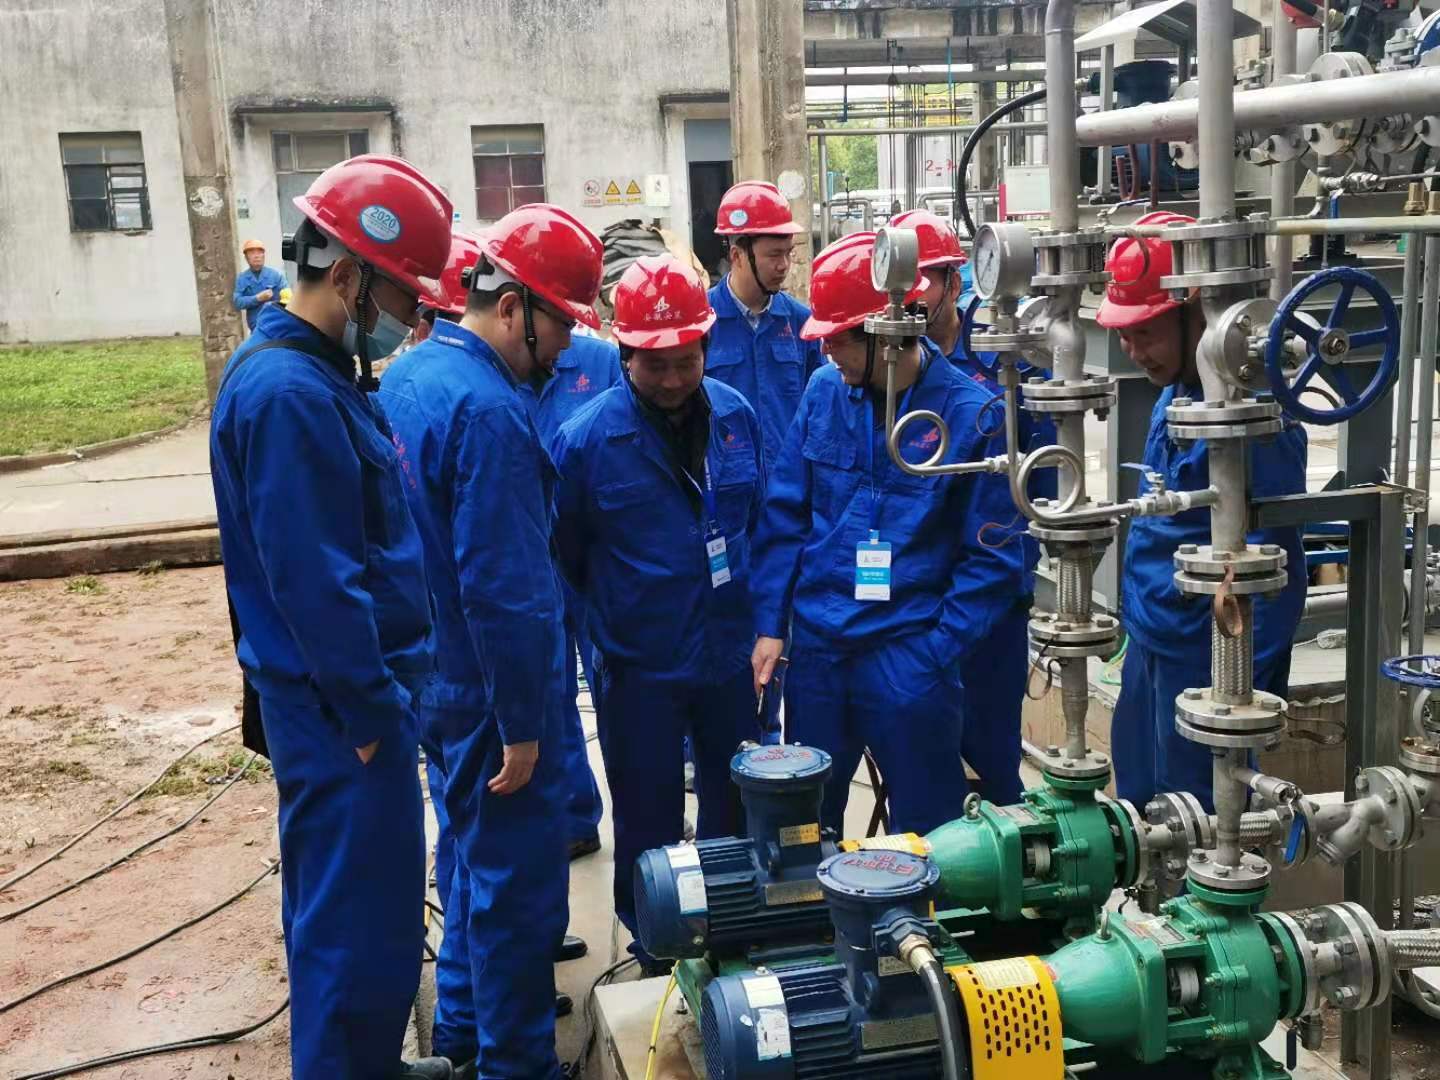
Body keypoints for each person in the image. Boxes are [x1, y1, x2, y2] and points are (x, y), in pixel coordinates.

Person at [209, 154, 455, 1080]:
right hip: (342, 712)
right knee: (352, 920)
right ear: (348, 275)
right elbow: (316, 582)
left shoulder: (315, 373)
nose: (408, 319)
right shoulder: (289, 394)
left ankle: (369, 1064)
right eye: (400, 296)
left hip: (349, 704)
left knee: (370, 911)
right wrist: (368, 716)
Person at [378, 203, 602, 1079]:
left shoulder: (408, 378)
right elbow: (504, 589)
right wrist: (522, 724)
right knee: (517, 892)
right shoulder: (491, 413)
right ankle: (517, 1065)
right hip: (490, 688)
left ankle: (464, 1033)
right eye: (561, 327)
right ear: (513, 308)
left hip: (434, 675)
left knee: (471, 864)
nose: (564, 350)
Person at [749, 232, 1025, 836]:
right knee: (802, 830)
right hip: (821, 653)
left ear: (889, 333)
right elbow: (785, 515)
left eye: (838, 340)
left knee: (928, 838)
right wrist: (771, 625)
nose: (827, 354)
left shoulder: (972, 416)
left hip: (908, 655)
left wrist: (933, 653)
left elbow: (993, 560)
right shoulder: (825, 393)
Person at [551, 254, 766, 972]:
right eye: (655, 365)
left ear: (705, 347)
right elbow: (569, 555)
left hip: (726, 654)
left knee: (733, 804)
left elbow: (755, 523)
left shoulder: (735, 418)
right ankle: (655, 946)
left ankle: (729, 931)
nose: (673, 380)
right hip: (638, 664)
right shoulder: (586, 441)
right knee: (648, 815)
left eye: (685, 362)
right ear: (625, 354)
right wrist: (619, 624)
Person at [1097, 211, 1307, 811]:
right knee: (1140, 796)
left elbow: (1272, 567)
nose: (1133, 351)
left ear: (1199, 313)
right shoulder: (1177, 391)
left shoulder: (1256, 416)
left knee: (1203, 814)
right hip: (1152, 636)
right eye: (1124, 335)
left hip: (1209, 649)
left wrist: (1238, 683)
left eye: (1146, 333)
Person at [891, 208, 1053, 805]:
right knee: (922, 754)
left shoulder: (1005, 353)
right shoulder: (892, 361)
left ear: (954, 282)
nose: (912, 300)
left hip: (990, 589)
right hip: (919, 589)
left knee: (989, 750)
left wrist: (1016, 561)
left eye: (924, 284)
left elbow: (1045, 470)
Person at [525, 324, 623, 862]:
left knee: (615, 684)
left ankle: (639, 802)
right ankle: (574, 815)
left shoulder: (598, 361)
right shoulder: (498, 368)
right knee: (551, 690)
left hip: (591, 555)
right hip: (531, 558)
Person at [232, 238, 290, 331]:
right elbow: (237, 302)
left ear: (264, 256)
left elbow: (288, 297)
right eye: (252, 253)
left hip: (276, 323)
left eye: (259, 252)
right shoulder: (242, 278)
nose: (256, 256)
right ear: (246, 257)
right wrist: (257, 298)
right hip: (256, 326)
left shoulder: (275, 275)